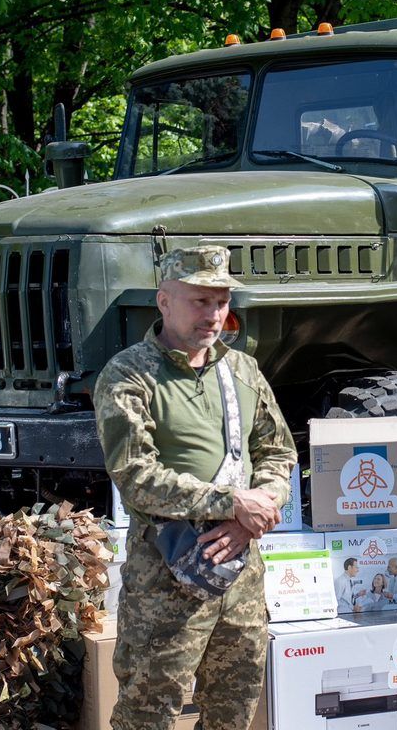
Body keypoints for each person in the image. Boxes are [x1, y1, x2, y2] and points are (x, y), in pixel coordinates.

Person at [94, 245, 297, 730]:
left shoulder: (243, 370)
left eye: (222, 301)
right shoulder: (130, 375)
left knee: (234, 710)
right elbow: (136, 477)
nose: (214, 314)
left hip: (240, 575)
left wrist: (254, 515)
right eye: (200, 300)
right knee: (148, 714)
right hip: (165, 581)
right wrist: (232, 503)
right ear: (164, 301)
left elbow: (278, 452)